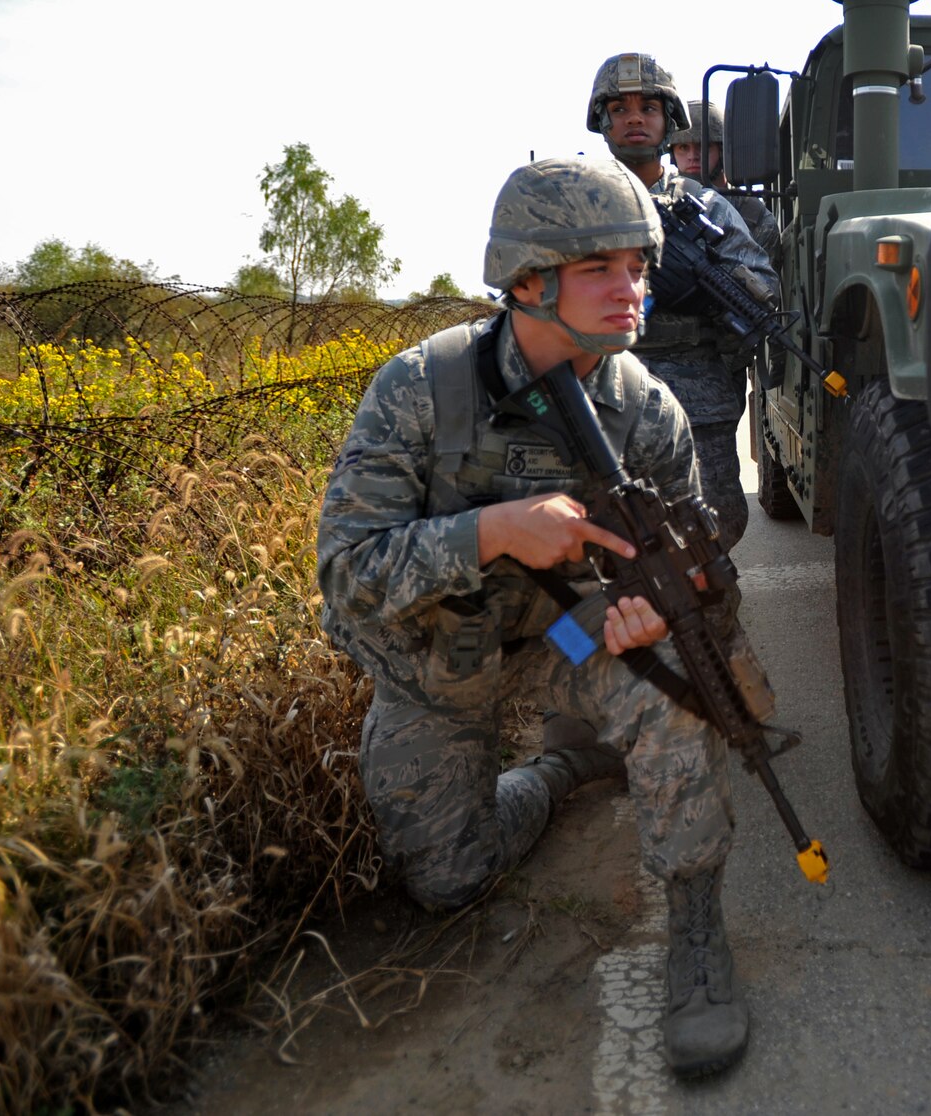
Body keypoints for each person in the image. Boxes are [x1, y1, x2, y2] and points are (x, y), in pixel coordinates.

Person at [317, 158, 751, 1077]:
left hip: (559, 640)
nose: (631, 289)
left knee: (672, 686)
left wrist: (653, 618)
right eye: (601, 268)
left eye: (639, 267)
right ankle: (557, 772)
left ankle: (699, 933)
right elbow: (346, 577)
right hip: (434, 664)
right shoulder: (421, 389)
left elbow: (692, 574)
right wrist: (493, 532)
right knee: (449, 881)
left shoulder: (647, 412)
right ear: (527, 280)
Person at [587, 54, 780, 550]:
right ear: (602, 121)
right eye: (620, 108)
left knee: (714, 526)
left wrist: (701, 280)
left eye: (648, 107)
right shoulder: (577, 203)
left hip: (697, 398)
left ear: (666, 120)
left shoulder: (706, 207)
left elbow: (761, 291)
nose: (634, 118)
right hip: (597, 397)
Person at [670, 98, 784, 272]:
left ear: (723, 151)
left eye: (703, 146)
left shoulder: (754, 216)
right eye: (683, 147)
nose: (692, 156)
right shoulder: (660, 205)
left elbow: (764, 286)